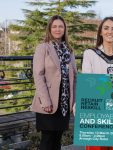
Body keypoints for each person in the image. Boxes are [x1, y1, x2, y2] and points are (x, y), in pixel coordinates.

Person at [82, 17, 113, 150]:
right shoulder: (90, 54)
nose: (110, 32)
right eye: (106, 28)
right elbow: (87, 84)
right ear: (100, 32)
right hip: (97, 111)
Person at [31, 15, 77, 150]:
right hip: (48, 102)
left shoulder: (69, 50)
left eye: (61, 26)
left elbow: (75, 76)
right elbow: (38, 76)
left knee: (57, 139)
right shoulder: (43, 48)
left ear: (64, 29)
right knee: (47, 140)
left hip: (64, 103)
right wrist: (45, 101)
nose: (58, 29)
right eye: (54, 26)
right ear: (50, 29)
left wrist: (74, 101)